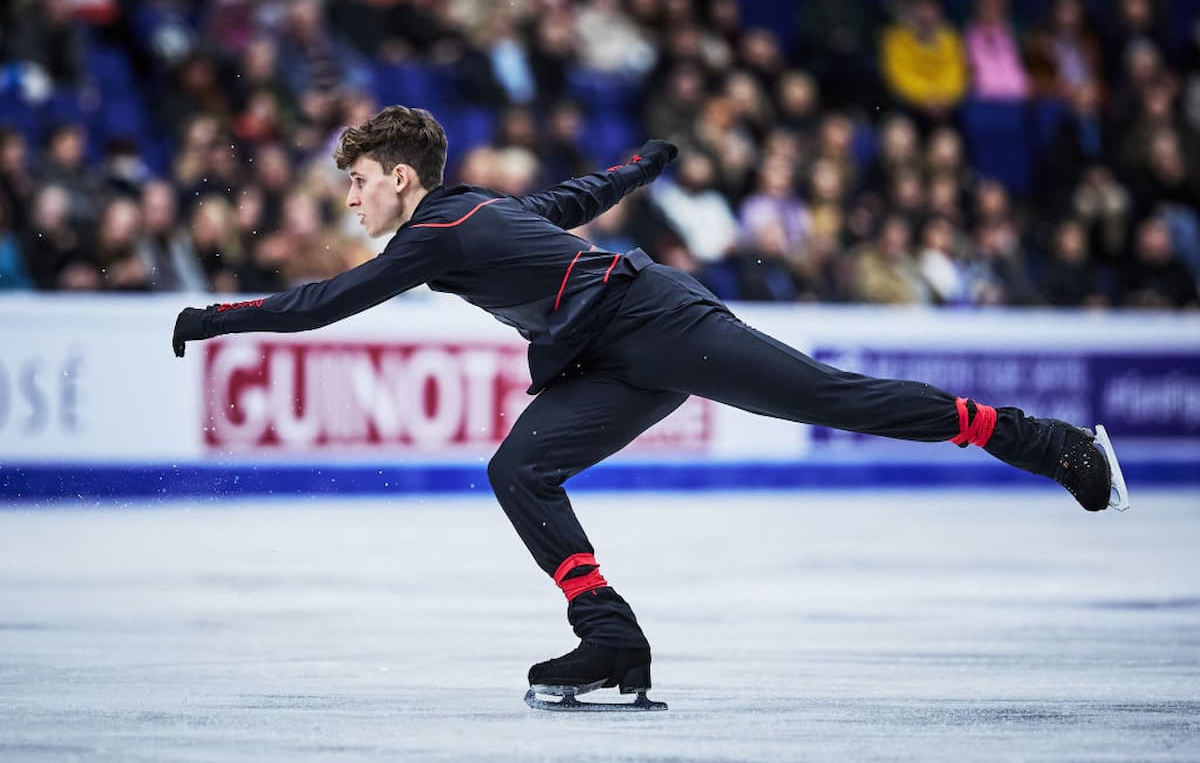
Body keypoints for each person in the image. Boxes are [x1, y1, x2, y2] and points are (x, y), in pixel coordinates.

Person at [172, 106, 1126, 710]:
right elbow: (572, 199)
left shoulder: (437, 233)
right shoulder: (476, 218)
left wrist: (217, 317)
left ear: (403, 177)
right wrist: (640, 166)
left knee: (829, 396)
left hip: (655, 319)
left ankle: (1050, 445)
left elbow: (327, 302)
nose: (349, 196)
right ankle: (610, 636)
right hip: (608, 354)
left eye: (358, 179)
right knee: (517, 468)